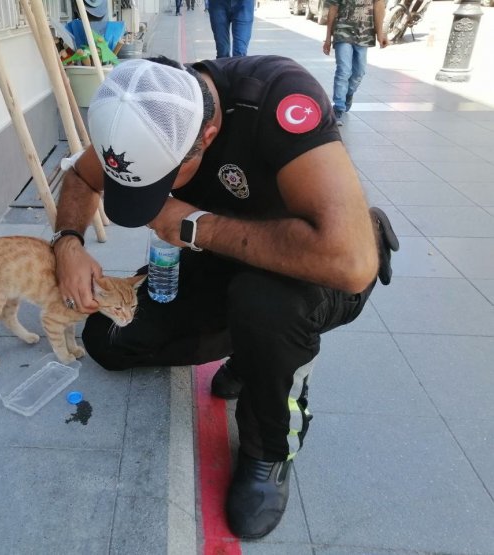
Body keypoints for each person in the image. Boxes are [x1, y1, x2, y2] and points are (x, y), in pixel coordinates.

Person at [52, 56, 398, 539]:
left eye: (161, 184)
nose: (153, 198)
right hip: (225, 254)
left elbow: (350, 262)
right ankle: (253, 347)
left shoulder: (278, 97)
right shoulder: (148, 107)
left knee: (264, 303)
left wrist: (197, 225)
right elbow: (81, 177)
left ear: (208, 139)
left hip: (314, 267)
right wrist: (67, 241)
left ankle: (271, 447)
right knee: (108, 338)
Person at [323, 0, 388, 125]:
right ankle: (338, 107)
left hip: (364, 33)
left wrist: (380, 33)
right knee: (343, 70)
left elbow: (379, 7)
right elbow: (333, 9)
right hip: (342, 32)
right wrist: (328, 38)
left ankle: (348, 93)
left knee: (359, 72)